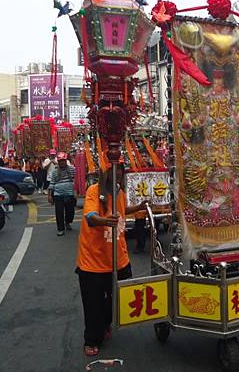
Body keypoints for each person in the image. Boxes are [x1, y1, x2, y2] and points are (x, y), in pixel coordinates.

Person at [76, 165, 148, 356]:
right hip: (94, 261)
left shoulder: (120, 191)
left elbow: (124, 210)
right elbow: (90, 217)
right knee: (93, 304)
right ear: (105, 173)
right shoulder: (94, 191)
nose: (118, 175)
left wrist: (138, 207)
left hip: (119, 259)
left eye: (121, 171)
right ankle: (91, 339)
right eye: (114, 171)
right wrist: (105, 221)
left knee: (119, 298)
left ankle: (105, 323)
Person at [48, 152, 76, 236]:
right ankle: (60, 229)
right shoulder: (55, 172)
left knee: (70, 211)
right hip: (58, 194)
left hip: (70, 194)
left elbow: (77, 180)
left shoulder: (72, 169)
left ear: (66, 160)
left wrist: (76, 192)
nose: (62, 162)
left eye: (63, 161)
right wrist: (49, 195)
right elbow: (52, 184)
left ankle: (68, 222)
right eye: (60, 161)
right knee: (59, 212)